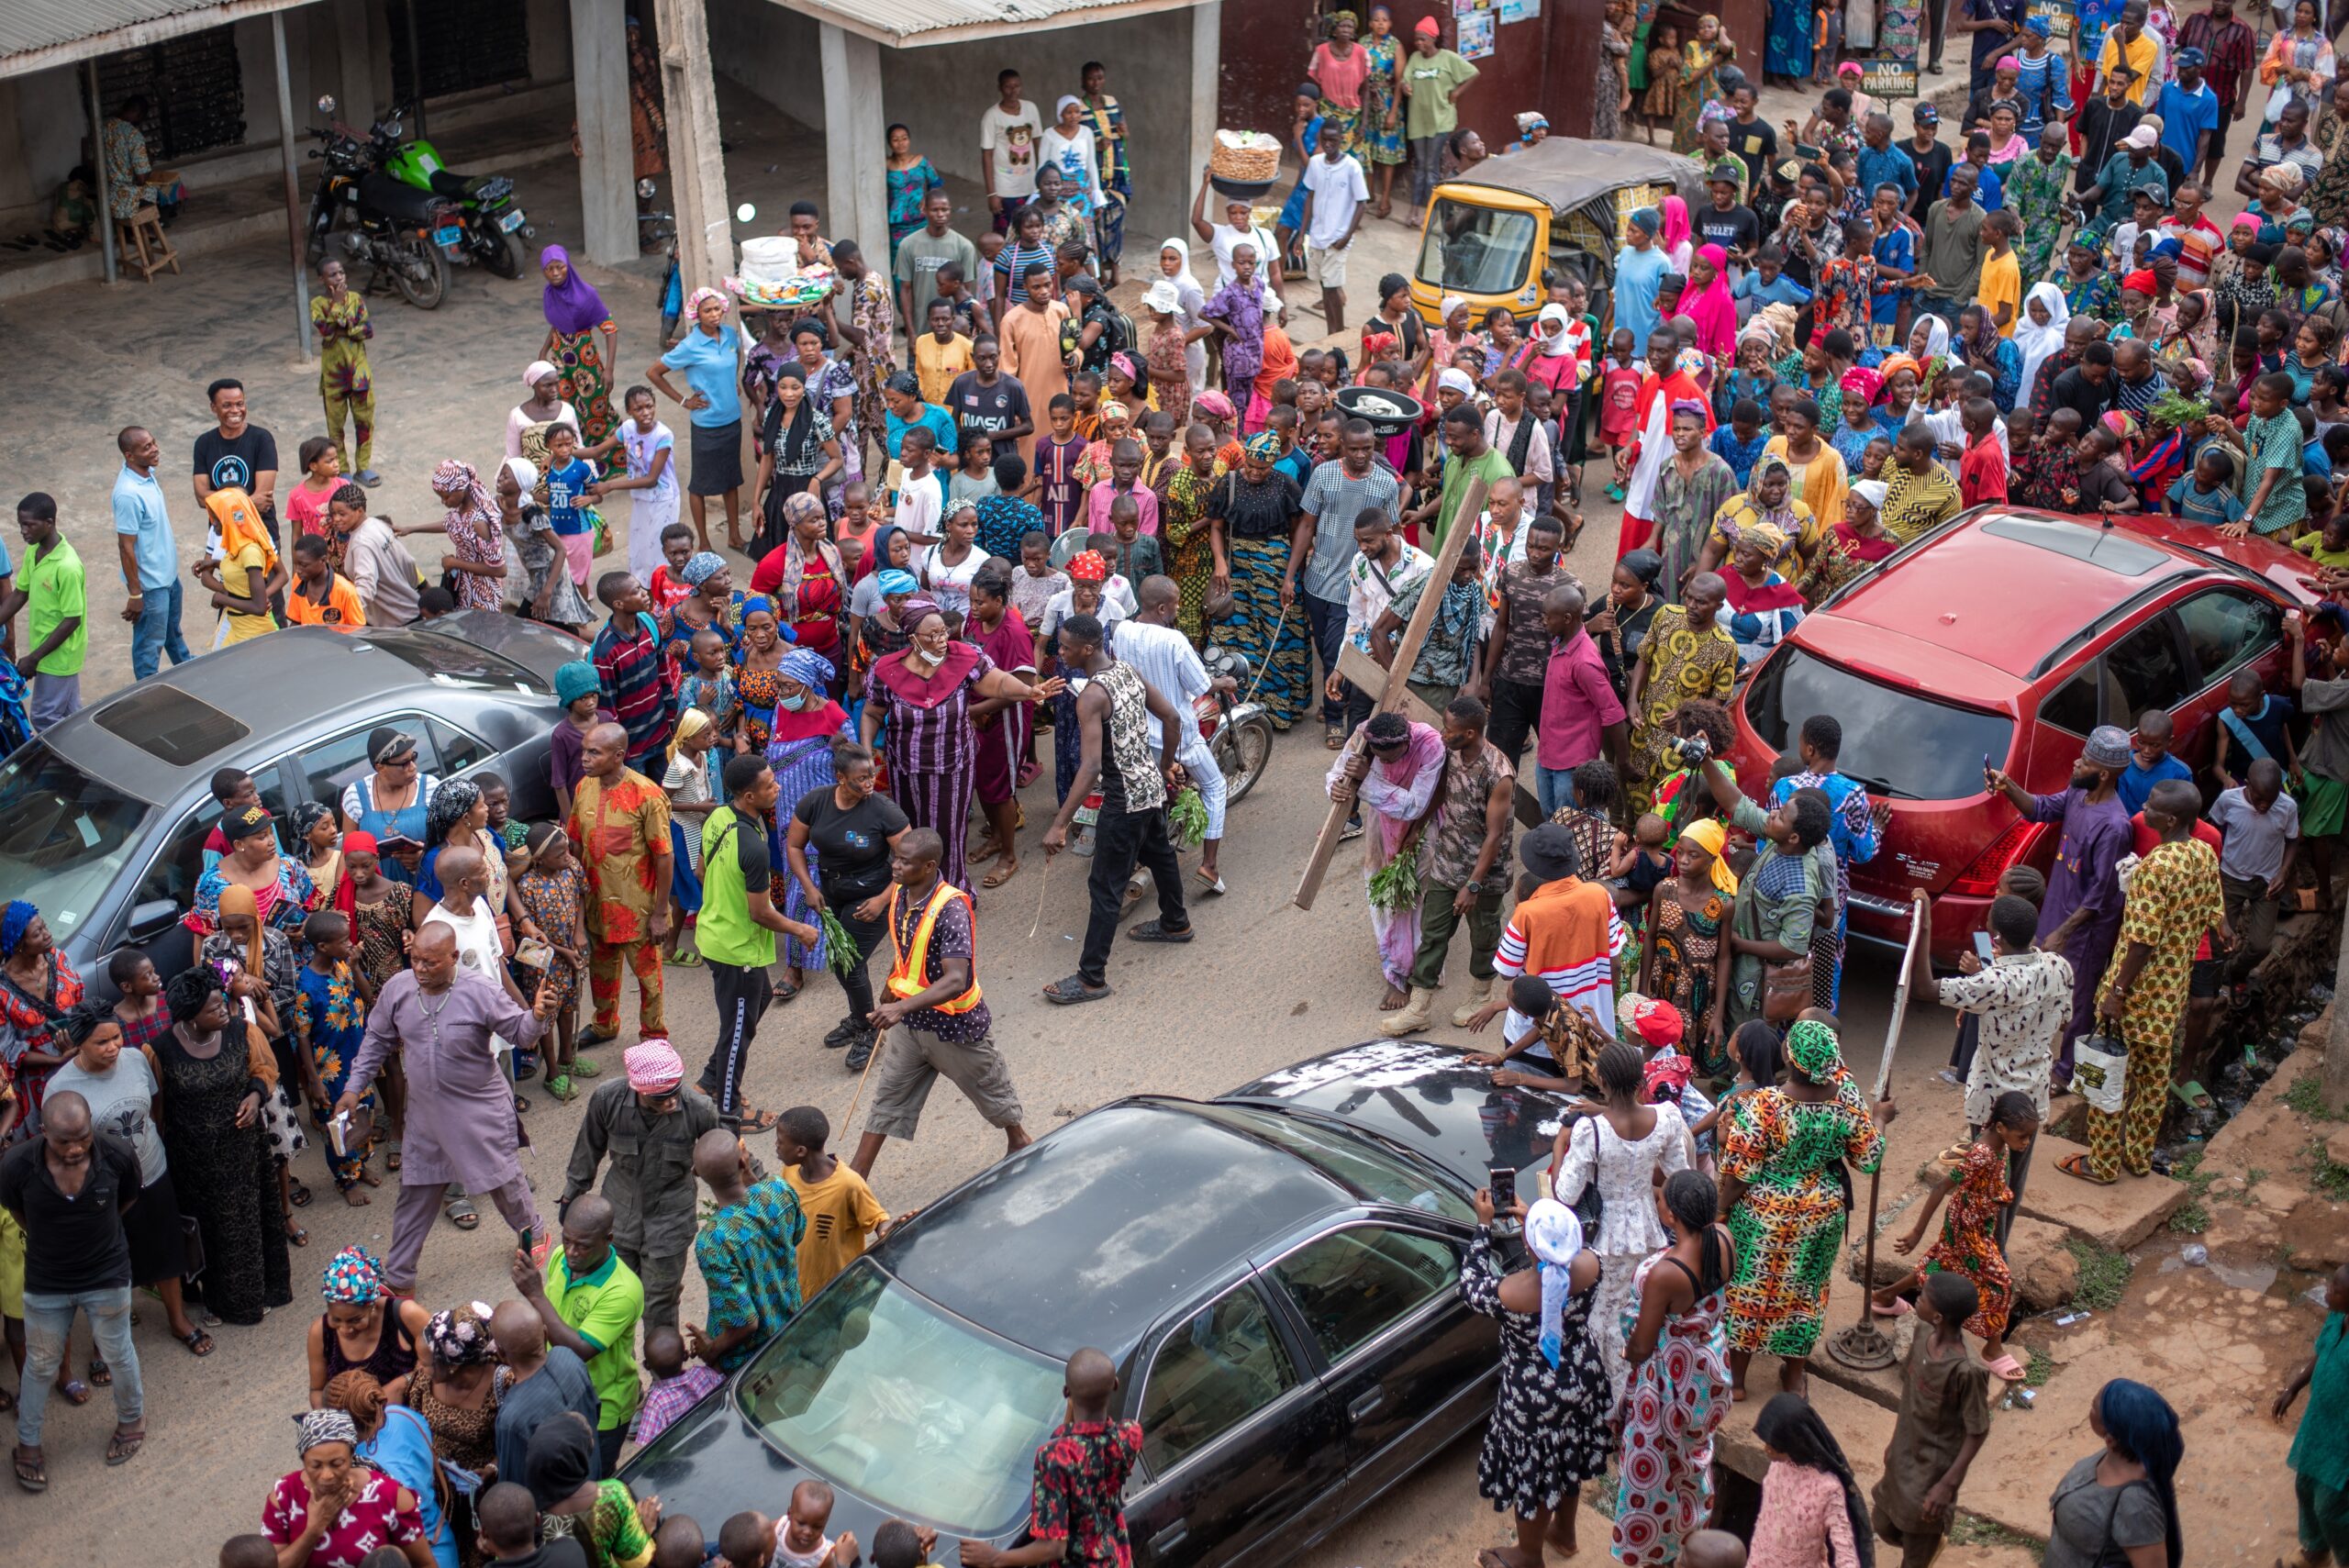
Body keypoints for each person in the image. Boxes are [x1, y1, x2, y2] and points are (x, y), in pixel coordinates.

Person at [332, 926, 554, 1296]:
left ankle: (535, 1231)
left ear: (453, 958)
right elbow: (376, 1041)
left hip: (478, 1109)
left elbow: (520, 1034)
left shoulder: (480, 990)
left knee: (503, 1182)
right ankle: (400, 1277)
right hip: (425, 1116)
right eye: (415, 959)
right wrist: (354, 1088)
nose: (419, 969)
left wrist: (537, 1016)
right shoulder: (398, 990)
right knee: (416, 1191)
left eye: (430, 962)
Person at [1718, 1019, 1893, 1400]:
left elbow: (1741, 1173)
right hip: (1822, 1212)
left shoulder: (1764, 1105)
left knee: (1750, 1289)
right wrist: (1879, 1118)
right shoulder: (1846, 1097)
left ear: (1788, 1057)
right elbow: (1868, 1159)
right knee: (1805, 1292)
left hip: (1765, 1214)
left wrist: (1720, 1209)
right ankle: (1794, 1378)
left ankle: (1737, 1382)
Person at [848, 828, 1033, 1176]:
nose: (895, 866)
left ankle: (1019, 1139)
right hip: (912, 1026)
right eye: (896, 858)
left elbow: (955, 979)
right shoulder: (903, 894)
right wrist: (893, 984)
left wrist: (899, 1007)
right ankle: (857, 1177)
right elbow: (910, 946)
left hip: (953, 1028)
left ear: (930, 866)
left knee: (990, 1090)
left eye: (905, 861)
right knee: (888, 1097)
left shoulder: (951, 910)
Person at [2076, 777, 2226, 1185]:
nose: (2144, 809)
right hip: (2172, 995)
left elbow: (2142, 941)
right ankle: (2138, 1158)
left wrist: (2116, 993)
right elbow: (2215, 909)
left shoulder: (2155, 866)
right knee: (2153, 1083)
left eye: (2152, 805)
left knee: (2110, 1078)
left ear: (2171, 818)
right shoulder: (2202, 853)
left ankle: (2103, 1164)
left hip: (2137, 995)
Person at [861, 596, 1055, 895]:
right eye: (933, 635)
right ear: (913, 638)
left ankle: (951, 894)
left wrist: (1029, 690)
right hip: (906, 769)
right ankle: (915, 893)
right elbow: (873, 712)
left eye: (943, 632)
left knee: (949, 833)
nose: (942, 640)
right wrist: (865, 750)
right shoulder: (886, 670)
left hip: (953, 767)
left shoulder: (965, 657)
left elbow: (999, 683)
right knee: (911, 834)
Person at [0, 1088, 146, 1487]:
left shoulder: (115, 1154)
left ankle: (132, 1421)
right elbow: (18, 1212)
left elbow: (128, 1198)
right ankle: (27, 1444)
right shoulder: (15, 1166)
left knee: (118, 1352)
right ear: (44, 1132)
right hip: (47, 1281)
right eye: (65, 1141)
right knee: (40, 1364)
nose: (76, 1148)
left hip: (107, 1275)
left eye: (83, 1137)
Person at [1462, 1191, 1610, 1568]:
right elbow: (1567, 1251)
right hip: (1583, 1376)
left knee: (1539, 1467)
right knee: (1568, 1454)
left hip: (1534, 1396)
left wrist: (1483, 1225)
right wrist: (1536, 1222)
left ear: (1529, 1245)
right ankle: (1564, 1534)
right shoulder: (1593, 1265)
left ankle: (1527, 1556)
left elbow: (1470, 1284)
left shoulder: (1512, 1293)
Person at [1987, 726, 2132, 1084]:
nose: (2075, 763)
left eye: (2083, 761)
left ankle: (2065, 1072)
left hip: (2084, 931)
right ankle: (2029, 1053)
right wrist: (2007, 785)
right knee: (2037, 987)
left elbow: (2100, 895)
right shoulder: (2077, 796)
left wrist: (2064, 933)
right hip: (2055, 913)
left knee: (2078, 1000)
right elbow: (2038, 809)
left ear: (2102, 773)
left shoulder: (2114, 826)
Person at [155, 964, 291, 1328]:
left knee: (247, 1223)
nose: (222, 1011)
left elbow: (266, 1069)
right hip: (192, 1160)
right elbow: (159, 1109)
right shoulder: (160, 1051)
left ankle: (255, 1296)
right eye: (212, 1008)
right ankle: (216, 1298)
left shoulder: (243, 1032)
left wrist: (254, 1096)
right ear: (190, 1017)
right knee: (210, 1230)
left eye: (221, 1003)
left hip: (243, 1151)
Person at [1612, 1170, 1735, 1568]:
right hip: (1707, 1368)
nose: (1658, 1202)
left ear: (1672, 1217)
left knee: (1656, 1466)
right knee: (1693, 1453)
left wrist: (1628, 1352)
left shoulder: (1666, 1273)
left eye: (1662, 1199)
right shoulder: (1724, 1237)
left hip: (1670, 1380)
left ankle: (1655, 1549)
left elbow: (1643, 1345)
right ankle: (1692, 1526)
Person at [696, 754, 818, 1129]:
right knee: (738, 1032)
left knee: (757, 1002)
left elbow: (702, 870)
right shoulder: (753, 846)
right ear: (749, 796)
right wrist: (801, 930)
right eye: (769, 785)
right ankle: (731, 1110)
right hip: (736, 950)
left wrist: (722, 902)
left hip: (714, 934)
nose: (777, 787)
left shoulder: (719, 816)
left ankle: (710, 1082)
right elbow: (761, 913)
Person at [957, 1349, 1141, 1568]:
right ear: (1116, 1385)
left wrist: (995, 1558)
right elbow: (1085, 1441)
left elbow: (1054, 1547)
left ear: (1066, 1392)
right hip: (1116, 1558)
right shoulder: (1130, 1435)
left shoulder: (1054, 1457)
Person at [510, 1193, 643, 1477]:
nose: (571, 1252)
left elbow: (580, 1351)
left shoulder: (623, 1291)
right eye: (567, 1240)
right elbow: (552, 1316)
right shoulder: (561, 1258)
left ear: (608, 1239)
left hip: (603, 1406)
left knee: (593, 1479)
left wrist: (535, 1295)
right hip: (559, 1388)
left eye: (583, 1246)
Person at [569, 721, 673, 1050]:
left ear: (618, 756)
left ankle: (653, 1036)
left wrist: (660, 913)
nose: (584, 758)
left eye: (593, 752)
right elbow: (575, 843)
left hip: (638, 910)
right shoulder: (583, 787)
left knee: (648, 979)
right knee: (602, 972)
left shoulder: (647, 795)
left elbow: (664, 858)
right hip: (597, 906)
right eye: (584, 750)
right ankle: (604, 1024)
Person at [687, 1127, 805, 1373]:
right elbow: (798, 1233)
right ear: (743, 1161)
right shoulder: (778, 1190)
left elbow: (745, 1323)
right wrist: (750, 1175)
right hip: (793, 1328)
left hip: (751, 1362)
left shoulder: (713, 1240)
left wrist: (712, 1350)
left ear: (697, 1173)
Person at [263, 1410, 432, 1567]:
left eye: (337, 1464)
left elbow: (425, 1564)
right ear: (303, 1460)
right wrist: (314, 1530)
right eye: (315, 1465)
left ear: (352, 1455)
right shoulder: (284, 1496)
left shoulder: (388, 1496)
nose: (327, 1475)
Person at [2047, 1380, 2184, 1568]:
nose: (2091, 1407)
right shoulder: (2119, 1455)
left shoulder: (2135, 1507)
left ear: (2111, 1439)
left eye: (2094, 1407)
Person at [650, 289, 746, 552]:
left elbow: (736, 356)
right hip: (706, 424)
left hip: (732, 419)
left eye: (717, 309)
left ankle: (735, 536)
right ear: (696, 314)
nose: (715, 315)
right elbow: (654, 373)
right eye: (708, 311)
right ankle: (703, 543)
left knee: (731, 480)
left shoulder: (729, 335)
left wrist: (732, 381)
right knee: (700, 484)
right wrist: (684, 401)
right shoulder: (690, 345)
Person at [2277, 1262, 2349, 1568]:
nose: (2326, 1291)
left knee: (2332, 1508)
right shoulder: (2337, 1318)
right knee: (2305, 1486)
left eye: (2335, 1289)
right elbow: (2321, 1353)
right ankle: (2316, 1553)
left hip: (2344, 1442)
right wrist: (2293, 1387)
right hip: (2318, 1424)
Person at [777, 1105, 889, 1300]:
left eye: (780, 1142)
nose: (776, 1146)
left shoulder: (849, 1184)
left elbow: (878, 1220)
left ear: (801, 1151)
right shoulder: (790, 1173)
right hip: (799, 1290)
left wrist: (890, 1228)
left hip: (841, 1292)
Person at [1747, 1394, 1873, 1568]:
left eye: (1773, 1445)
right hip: (1759, 1560)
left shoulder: (1828, 1488)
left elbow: (1844, 1545)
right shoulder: (1778, 1466)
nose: (1766, 1449)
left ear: (1793, 1443)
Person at [489, 1300, 599, 1490]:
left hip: (557, 1508)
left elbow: (514, 1484)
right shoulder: (569, 1357)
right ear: (546, 1334)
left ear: (500, 1353)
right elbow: (595, 1410)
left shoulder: (513, 1417)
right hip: (593, 1476)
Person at [525, 1412, 656, 1566]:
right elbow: (637, 1562)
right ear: (579, 1458)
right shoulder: (612, 1495)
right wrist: (646, 1531)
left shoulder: (525, 1515)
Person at [306, 1247, 425, 1409]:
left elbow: (444, 1361)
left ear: (372, 1305)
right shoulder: (320, 1333)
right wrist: (335, 1425)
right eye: (336, 1319)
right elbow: (317, 1390)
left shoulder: (406, 1315)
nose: (345, 1329)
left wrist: (402, 1383)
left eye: (355, 1320)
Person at [114, 425, 190, 680]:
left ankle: (192, 676)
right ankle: (146, 695)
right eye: (147, 447)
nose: (155, 449)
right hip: (151, 587)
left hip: (168, 579)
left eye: (154, 442)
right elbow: (125, 547)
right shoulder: (128, 494)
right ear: (129, 456)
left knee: (173, 636)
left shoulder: (147, 474)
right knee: (149, 650)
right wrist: (136, 593)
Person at [2, 495, 83, 730]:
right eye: (21, 524)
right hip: (46, 648)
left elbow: (72, 620)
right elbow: (20, 594)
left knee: (43, 717)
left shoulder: (67, 566)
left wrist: (34, 658)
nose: (23, 531)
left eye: (29, 525)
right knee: (73, 718)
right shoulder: (34, 551)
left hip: (59, 654)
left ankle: (64, 765)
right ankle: (82, 761)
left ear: (49, 523)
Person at [540, 247, 621, 475]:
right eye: (549, 269)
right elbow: (558, 323)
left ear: (568, 266)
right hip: (560, 363)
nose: (555, 273)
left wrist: (609, 369)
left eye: (560, 267)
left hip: (585, 362)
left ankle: (615, 465)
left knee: (596, 412)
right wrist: (543, 350)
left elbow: (610, 329)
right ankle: (579, 467)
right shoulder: (550, 294)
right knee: (567, 413)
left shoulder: (586, 294)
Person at [1400, 17, 1479, 228]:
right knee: (1420, 167)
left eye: (1423, 39)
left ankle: (1429, 214)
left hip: (1440, 121)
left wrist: (1457, 92)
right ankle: (1413, 211)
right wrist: (1405, 87)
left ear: (1433, 38)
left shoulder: (1448, 58)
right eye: (1417, 40)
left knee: (1431, 168)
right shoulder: (1415, 59)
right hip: (1419, 122)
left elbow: (1473, 73)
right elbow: (1405, 79)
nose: (1419, 44)